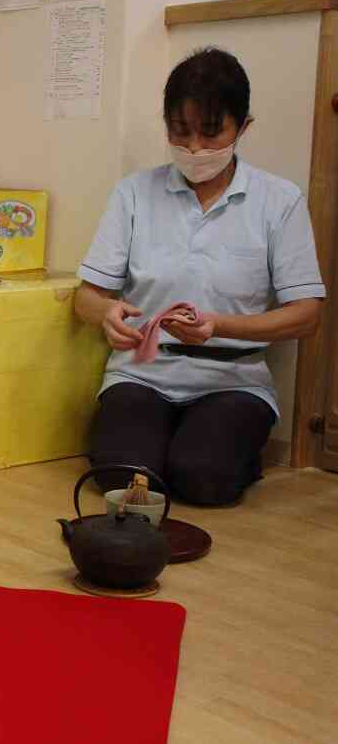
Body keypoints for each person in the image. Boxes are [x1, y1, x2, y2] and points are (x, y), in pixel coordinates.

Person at [75, 47, 326, 506]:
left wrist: (220, 326)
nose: (194, 148)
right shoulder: (134, 192)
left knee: (202, 479)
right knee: (123, 478)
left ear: (242, 128)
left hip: (234, 379)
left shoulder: (279, 200)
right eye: (180, 131)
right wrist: (105, 312)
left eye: (212, 133)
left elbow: (306, 315)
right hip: (144, 371)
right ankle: (161, 444)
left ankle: (222, 453)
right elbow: (86, 296)